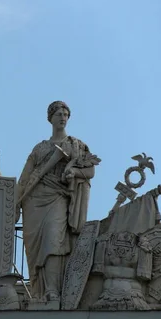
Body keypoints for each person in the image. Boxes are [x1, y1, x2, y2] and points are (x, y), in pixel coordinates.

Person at [17, 101, 99, 303]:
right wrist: (16, 205)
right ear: (50, 118)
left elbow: (90, 171)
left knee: (53, 241)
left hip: (58, 198)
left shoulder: (76, 145)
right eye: (58, 114)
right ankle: (39, 290)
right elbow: (25, 179)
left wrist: (74, 171)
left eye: (65, 114)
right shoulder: (40, 148)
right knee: (35, 249)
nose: (62, 117)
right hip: (34, 202)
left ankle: (53, 290)